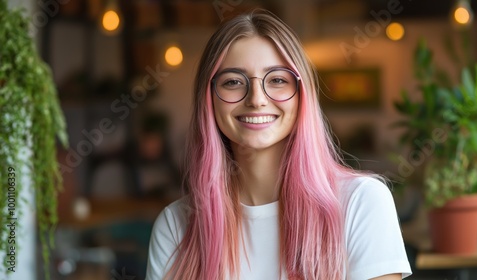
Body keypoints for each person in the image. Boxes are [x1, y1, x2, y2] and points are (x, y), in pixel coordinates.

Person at [145, 9, 412, 280]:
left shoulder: (362, 203)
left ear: (301, 95)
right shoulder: (176, 226)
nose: (257, 99)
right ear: (209, 98)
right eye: (234, 82)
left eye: (277, 80)